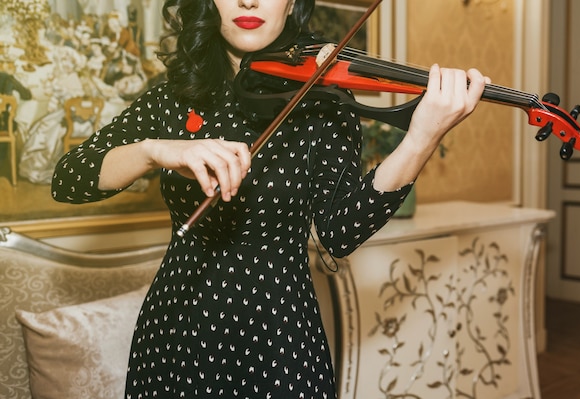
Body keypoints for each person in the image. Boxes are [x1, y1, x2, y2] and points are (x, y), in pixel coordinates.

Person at [51, 0, 488, 398]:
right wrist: (156, 150)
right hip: (177, 328)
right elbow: (68, 180)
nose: (249, 0)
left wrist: (422, 138)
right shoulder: (175, 96)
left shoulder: (321, 98)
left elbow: (340, 233)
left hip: (279, 336)